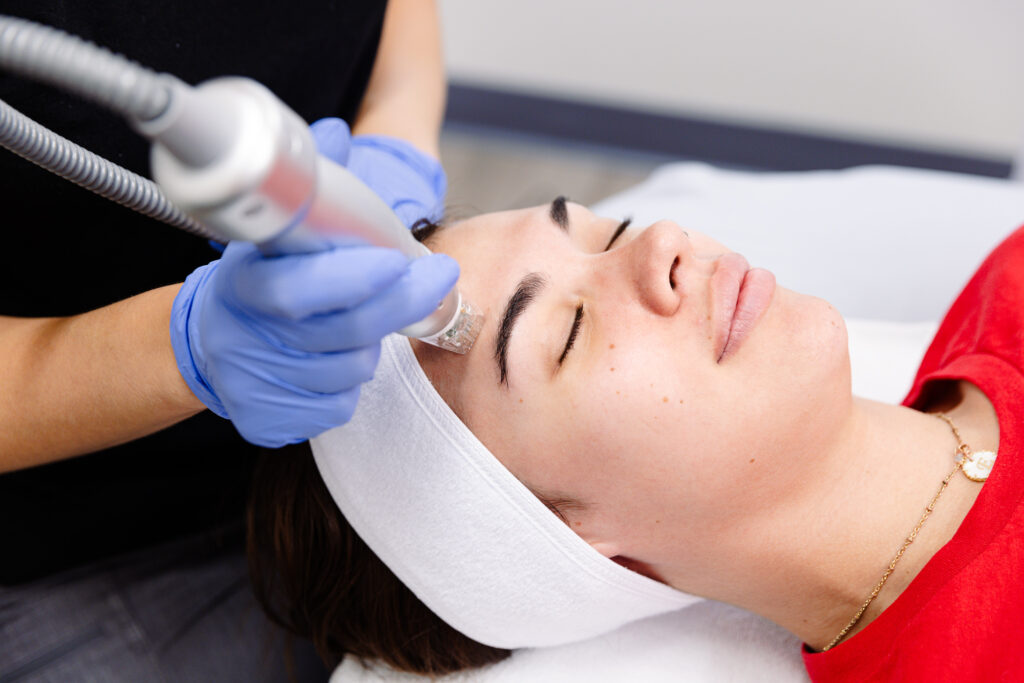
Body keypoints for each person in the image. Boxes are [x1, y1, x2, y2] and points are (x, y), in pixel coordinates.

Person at [246, 47, 1023, 677]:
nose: (663, 244)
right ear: (572, 550)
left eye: (607, 233)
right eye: (571, 331)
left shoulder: (1006, 287)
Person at [0, 0, 453, 679]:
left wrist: (395, 130)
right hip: (75, 530)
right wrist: (183, 348)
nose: (663, 243)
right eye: (568, 329)